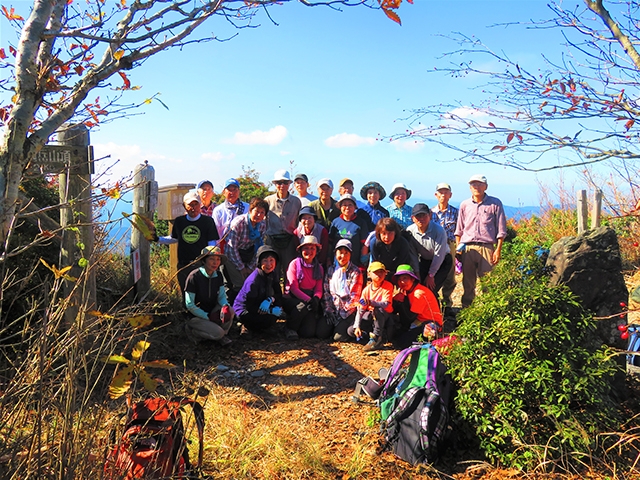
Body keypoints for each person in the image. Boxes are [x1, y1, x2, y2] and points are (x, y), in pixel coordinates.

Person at [455, 174, 507, 308]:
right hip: (467, 248)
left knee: (488, 282)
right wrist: (458, 249)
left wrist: (498, 250)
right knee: (468, 283)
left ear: (486, 187)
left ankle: (489, 310)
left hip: (487, 247)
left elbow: (501, 229)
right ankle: (467, 310)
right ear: (470, 187)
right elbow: (459, 229)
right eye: (473, 184)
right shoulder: (465, 205)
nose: (476, 187)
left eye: (479, 184)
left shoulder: (495, 203)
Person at [157, 191, 219, 293]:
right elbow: (174, 238)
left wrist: (210, 262)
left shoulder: (208, 221)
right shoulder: (179, 221)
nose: (193, 208)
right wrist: (157, 239)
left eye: (196, 204)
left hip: (201, 265)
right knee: (186, 293)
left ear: (200, 205)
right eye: (190, 205)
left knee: (202, 294)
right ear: (184, 206)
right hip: (184, 265)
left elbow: (211, 243)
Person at [184, 246, 234, 346]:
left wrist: (225, 306)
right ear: (204, 260)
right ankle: (194, 332)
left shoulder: (218, 275)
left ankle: (223, 335)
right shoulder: (194, 276)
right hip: (196, 316)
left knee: (230, 310)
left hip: (212, 312)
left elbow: (221, 297)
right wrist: (207, 316)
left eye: (218, 259)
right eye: (211, 259)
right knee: (218, 333)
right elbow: (190, 305)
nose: (215, 263)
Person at [233, 245, 285, 334]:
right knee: (265, 318)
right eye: (265, 260)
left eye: (271, 260)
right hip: (245, 309)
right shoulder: (253, 281)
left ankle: (262, 326)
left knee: (275, 315)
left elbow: (278, 293)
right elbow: (250, 306)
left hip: (262, 302)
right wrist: (270, 311)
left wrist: (271, 299)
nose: (269, 264)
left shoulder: (273, 273)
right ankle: (246, 326)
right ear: (259, 262)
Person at [282, 236, 325, 340]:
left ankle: (299, 324)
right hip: (292, 298)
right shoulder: (294, 264)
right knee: (302, 307)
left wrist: (316, 298)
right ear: (301, 250)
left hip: (309, 298)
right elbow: (293, 288)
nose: (309, 251)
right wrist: (309, 300)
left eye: (312, 248)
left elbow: (319, 289)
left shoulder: (319, 268)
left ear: (316, 251)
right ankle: (289, 328)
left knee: (308, 333)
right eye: (306, 248)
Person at [405, 203, 453, 295]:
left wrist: (431, 275)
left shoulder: (439, 231)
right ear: (413, 218)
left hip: (443, 261)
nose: (421, 219)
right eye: (418, 216)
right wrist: (417, 273)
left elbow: (439, 255)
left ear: (430, 215)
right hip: (425, 260)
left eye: (424, 215)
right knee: (419, 286)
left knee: (431, 288)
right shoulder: (410, 231)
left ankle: (438, 304)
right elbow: (413, 254)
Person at [391, 264, 443, 350]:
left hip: (430, 323)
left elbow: (410, 317)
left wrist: (401, 303)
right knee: (397, 337)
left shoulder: (418, 293)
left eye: (405, 278)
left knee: (402, 342)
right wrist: (395, 300)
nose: (402, 282)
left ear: (413, 279)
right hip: (418, 321)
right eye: (399, 279)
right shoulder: (407, 290)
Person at [347, 261, 394, 351]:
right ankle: (369, 335)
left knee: (378, 310)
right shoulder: (366, 290)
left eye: (381, 272)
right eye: (376, 272)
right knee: (350, 330)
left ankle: (376, 338)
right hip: (370, 316)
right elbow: (361, 309)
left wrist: (371, 302)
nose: (379, 275)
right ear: (369, 274)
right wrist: (357, 326)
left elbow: (386, 304)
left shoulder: (388, 286)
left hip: (383, 315)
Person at [265, 169, 302, 282]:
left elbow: (298, 222)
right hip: (272, 240)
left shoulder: (296, 202)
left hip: (289, 240)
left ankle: (288, 291)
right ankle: (272, 291)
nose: (282, 186)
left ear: (289, 184)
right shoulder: (268, 201)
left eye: (285, 182)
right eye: (279, 183)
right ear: (275, 184)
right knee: (272, 270)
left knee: (289, 269)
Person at [322, 239, 363, 341]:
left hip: (347, 311)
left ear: (350, 255)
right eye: (340, 252)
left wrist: (342, 311)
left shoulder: (355, 271)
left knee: (338, 337)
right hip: (333, 308)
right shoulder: (331, 270)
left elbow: (354, 297)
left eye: (346, 253)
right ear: (335, 253)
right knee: (321, 333)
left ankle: (351, 325)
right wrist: (329, 309)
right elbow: (326, 291)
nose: (343, 256)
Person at [225, 198, 269, 291]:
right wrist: (242, 268)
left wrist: (250, 267)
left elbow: (260, 248)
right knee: (240, 283)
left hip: (250, 255)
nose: (259, 215)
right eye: (257, 211)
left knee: (253, 282)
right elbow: (231, 248)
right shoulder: (238, 223)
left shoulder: (262, 224)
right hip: (233, 256)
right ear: (250, 210)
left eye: (262, 212)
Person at [431, 183, 459, 311]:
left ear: (450, 195)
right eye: (440, 192)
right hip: (435, 244)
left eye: (446, 192)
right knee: (434, 271)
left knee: (450, 274)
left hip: (450, 243)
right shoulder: (431, 212)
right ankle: (434, 302)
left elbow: (459, 229)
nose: (443, 195)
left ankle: (447, 303)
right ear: (436, 195)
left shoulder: (455, 212)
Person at [329, 194, 371, 267]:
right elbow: (330, 242)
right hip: (337, 263)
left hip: (354, 263)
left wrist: (363, 261)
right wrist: (329, 259)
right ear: (340, 207)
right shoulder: (335, 222)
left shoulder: (361, 223)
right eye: (344, 205)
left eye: (350, 205)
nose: (347, 207)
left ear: (355, 207)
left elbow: (364, 245)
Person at [370, 217, 416, 282]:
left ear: (395, 233)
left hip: (400, 268)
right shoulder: (374, 243)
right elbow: (376, 262)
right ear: (379, 233)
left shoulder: (403, 243)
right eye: (383, 233)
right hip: (382, 269)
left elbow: (403, 261)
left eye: (390, 233)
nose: (387, 237)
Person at [212, 178, 250, 243]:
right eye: (229, 190)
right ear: (223, 192)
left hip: (243, 244)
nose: (232, 193)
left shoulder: (247, 207)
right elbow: (215, 231)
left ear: (239, 191)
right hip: (223, 244)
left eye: (235, 189)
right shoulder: (218, 210)